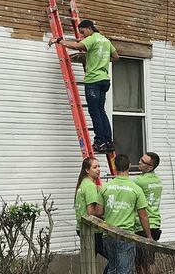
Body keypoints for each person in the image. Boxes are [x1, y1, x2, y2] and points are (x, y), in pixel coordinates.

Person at [50, 19, 119, 152]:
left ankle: (100, 142)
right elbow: (116, 57)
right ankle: (108, 141)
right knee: (101, 111)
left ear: (89, 28)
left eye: (82, 32)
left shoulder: (92, 39)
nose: (82, 36)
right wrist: (102, 60)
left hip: (93, 80)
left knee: (95, 112)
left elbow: (77, 46)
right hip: (104, 80)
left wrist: (59, 41)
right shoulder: (105, 40)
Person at [102, 154, 151, 274]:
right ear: (129, 166)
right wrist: (148, 236)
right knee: (124, 270)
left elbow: (99, 211)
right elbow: (143, 216)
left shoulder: (105, 187)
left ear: (114, 166)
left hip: (108, 234)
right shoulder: (136, 189)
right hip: (125, 235)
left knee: (112, 268)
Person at [75, 157, 108, 272]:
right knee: (115, 258)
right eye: (95, 167)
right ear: (87, 170)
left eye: (99, 166)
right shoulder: (89, 186)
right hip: (93, 231)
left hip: (83, 228)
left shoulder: (83, 183)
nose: (98, 169)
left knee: (88, 264)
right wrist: (106, 215)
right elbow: (91, 213)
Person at [134, 153, 162, 274]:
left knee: (139, 263)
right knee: (150, 261)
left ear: (150, 167)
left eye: (143, 161)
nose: (139, 162)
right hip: (155, 224)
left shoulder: (139, 181)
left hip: (142, 225)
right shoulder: (158, 180)